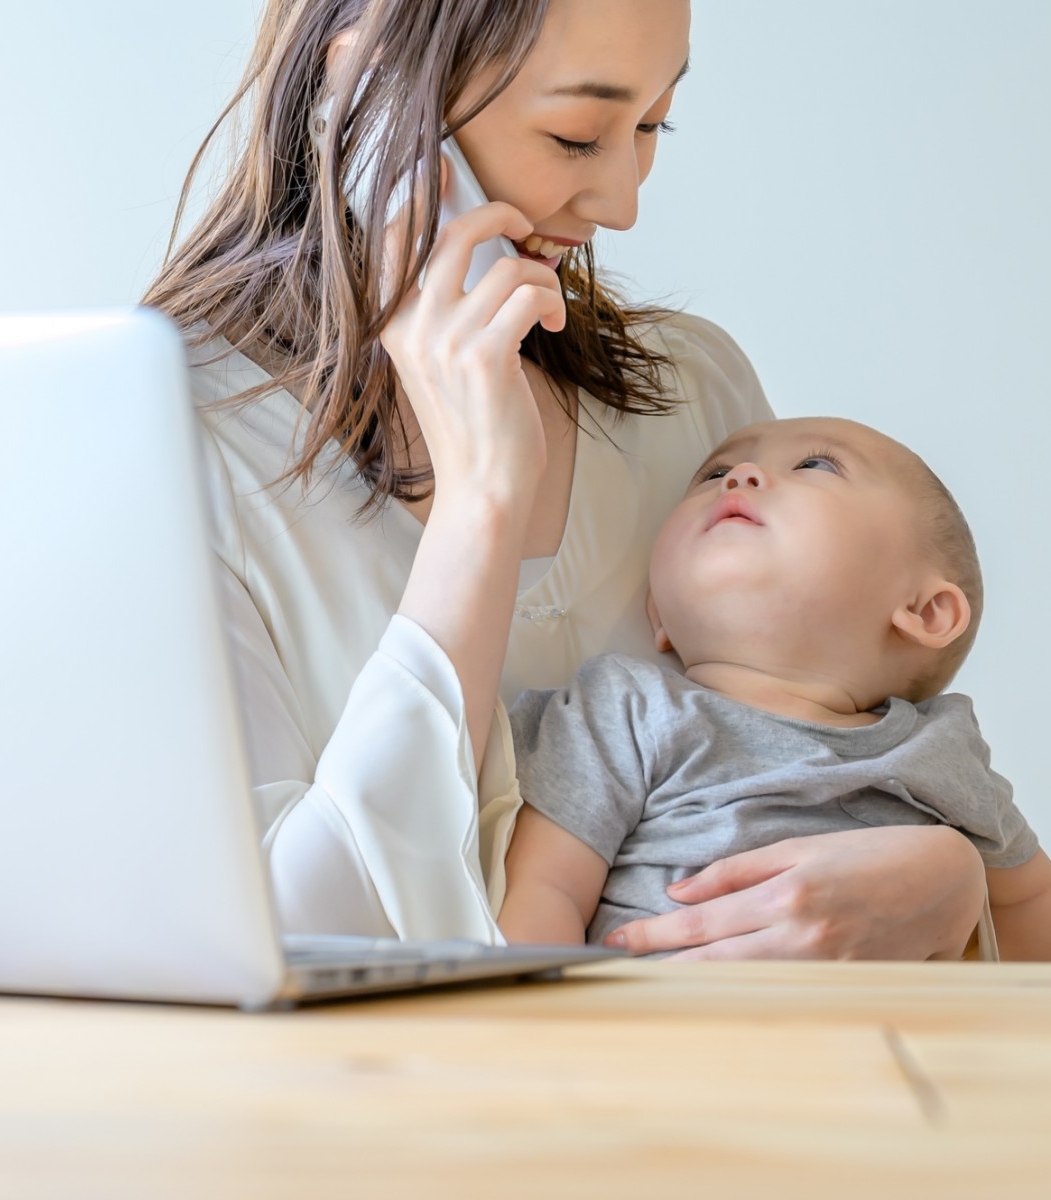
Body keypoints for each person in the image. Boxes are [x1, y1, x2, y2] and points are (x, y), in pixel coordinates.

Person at [142, 0, 992, 957]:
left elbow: (831, 764)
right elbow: (282, 944)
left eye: (650, 125)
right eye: (577, 133)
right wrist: (481, 503)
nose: (623, 202)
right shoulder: (161, 449)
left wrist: (951, 879)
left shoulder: (698, 403)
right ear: (369, 98)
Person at [497, 417, 1051, 961]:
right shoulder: (623, 707)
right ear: (659, 615)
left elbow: (1028, 901)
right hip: (668, 1054)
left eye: (816, 465)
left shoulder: (943, 752)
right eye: (714, 473)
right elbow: (543, 889)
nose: (741, 476)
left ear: (924, 610)